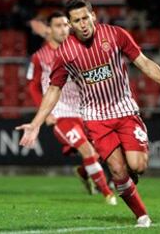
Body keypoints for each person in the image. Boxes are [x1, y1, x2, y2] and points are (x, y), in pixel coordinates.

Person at [17, 0, 160, 227]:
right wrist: (36, 123)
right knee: (117, 170)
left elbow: (144, 63)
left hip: (125, 110)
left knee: (138, 166)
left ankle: (127, 176)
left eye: (86, 18)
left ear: (93, 16)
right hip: (96, 118)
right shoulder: (65, 53)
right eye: (76, 20)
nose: (83, 24)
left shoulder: (115, 35)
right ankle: (142, 217)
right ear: (71, 24)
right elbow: (54, 89)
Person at [27, 12, 116, 205]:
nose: (63, 29)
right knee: (87, 151)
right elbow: (33, 86)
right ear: (49, 30)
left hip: (85, 112)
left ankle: (83, 171)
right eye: (58, 25)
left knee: (100, 152)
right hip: (61, 114)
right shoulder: (40, 57)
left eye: (66, 25)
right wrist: (45, 113)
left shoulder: (77, 51)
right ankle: (108, 194)